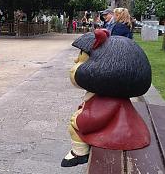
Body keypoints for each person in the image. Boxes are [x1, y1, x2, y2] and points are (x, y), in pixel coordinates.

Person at [61, 29, 151, 167]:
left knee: (74, 128)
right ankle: (80, 151)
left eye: (82, 57)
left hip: (118, 137)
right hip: (121, 132)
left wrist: (79, 120)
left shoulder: (109, 101)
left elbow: (96, 118)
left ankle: (79, 153)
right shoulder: (108, 95)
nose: (75, 60)